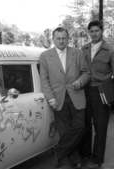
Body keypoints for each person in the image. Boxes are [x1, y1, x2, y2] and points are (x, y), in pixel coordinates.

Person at [39, 27, 90, 169]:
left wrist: (81, 81)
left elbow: (86, 73)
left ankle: (58, 151)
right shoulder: (45, 56)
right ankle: (75, 160)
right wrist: (50, 98)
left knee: (81, 127)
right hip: (57, 98)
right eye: (58, 38)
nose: (61, 41)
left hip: (76, 95)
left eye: (64, 38)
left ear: (68, 39)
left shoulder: (78, 53)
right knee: (65, 130)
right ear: (53, 39)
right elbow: (44, 81)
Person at [79, 20, 114, 169]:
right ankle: (85, 155)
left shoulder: (111, 50)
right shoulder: (84, 48)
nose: (94, 34)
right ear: (89, 32)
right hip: (85, 91)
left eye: (96, 31)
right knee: (85, 125)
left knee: (101, 127)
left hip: (101, 92)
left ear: (102, 31)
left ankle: (97, 160)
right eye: (91, 31)